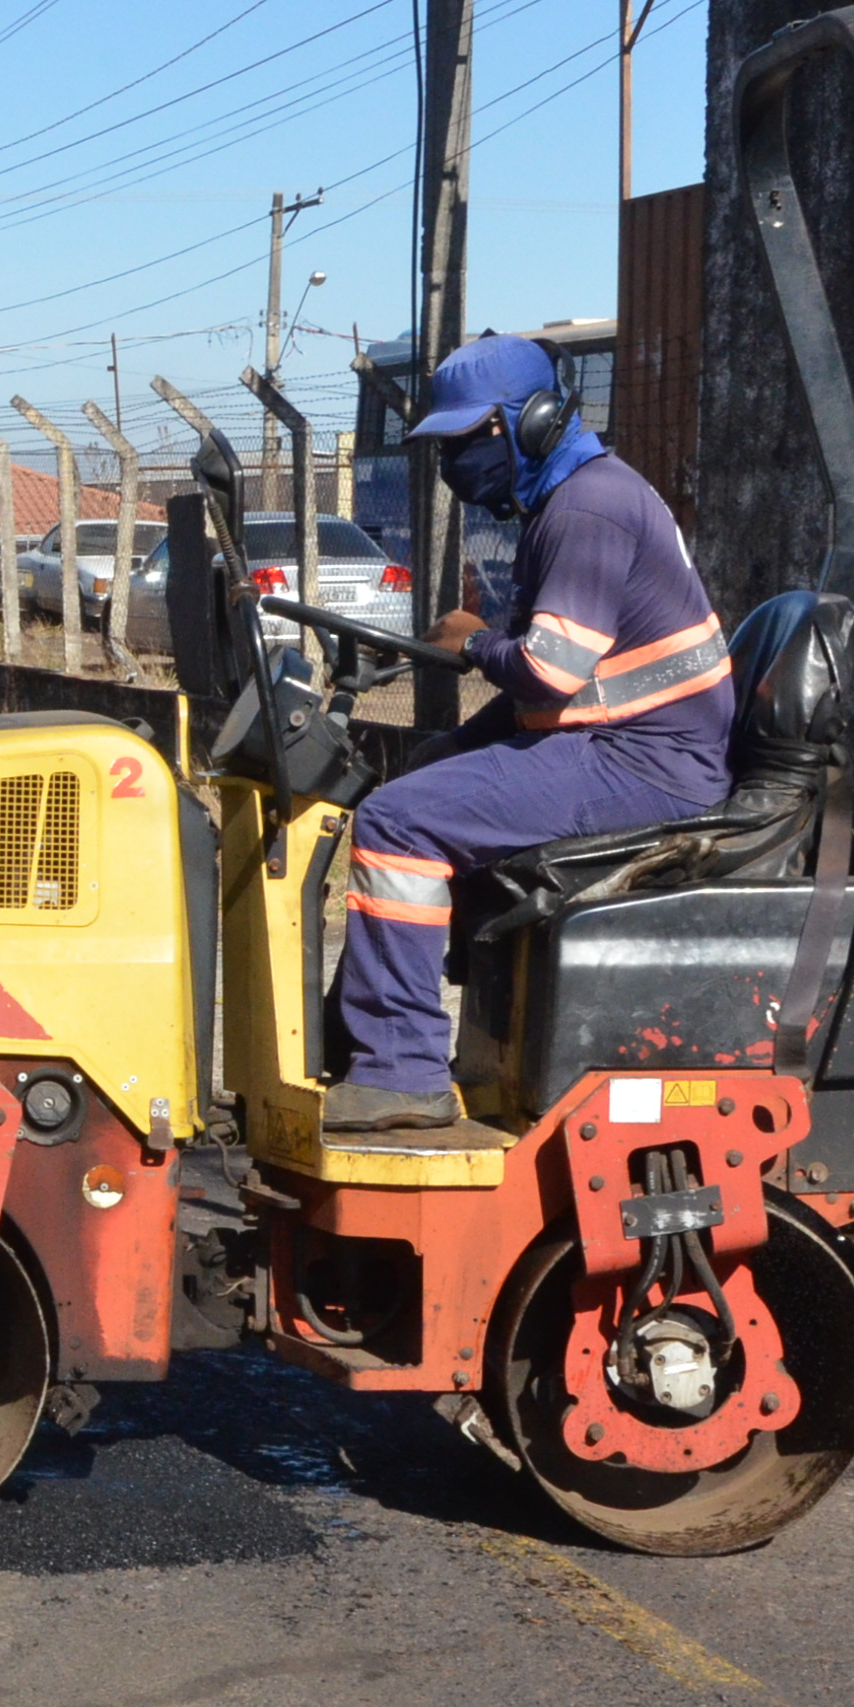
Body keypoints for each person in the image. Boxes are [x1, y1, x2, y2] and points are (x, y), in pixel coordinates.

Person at [326, 331, 738, 1134]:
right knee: (428, 772)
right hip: (624, 740)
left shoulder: (587, 509)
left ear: (538, 419)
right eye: (445, 445)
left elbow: (549, 671)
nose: (455, 462)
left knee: (397, 823)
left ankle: (401, 1070)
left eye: (470, 438)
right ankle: (351, 1036)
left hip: (646, 761)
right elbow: (571, 686)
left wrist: (471, 642)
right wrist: (457, 743)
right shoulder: (570, 499)